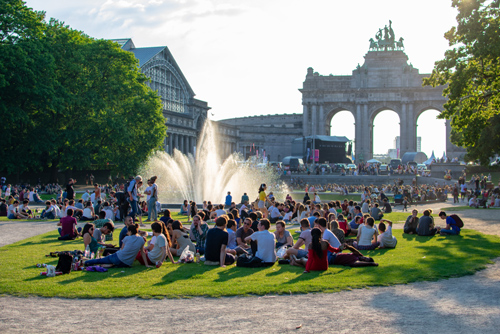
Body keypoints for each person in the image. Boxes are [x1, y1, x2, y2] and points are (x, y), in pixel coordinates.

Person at [84, 223, 150, 268]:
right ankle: (108, 264)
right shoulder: (141, 239)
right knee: (110, 261)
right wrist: (146, 264)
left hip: (118, 258)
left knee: (99, 260)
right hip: (127, 263)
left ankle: (85, 262)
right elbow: (143, 252)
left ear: (130, 231)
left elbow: (121, 250)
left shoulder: (126, 238)